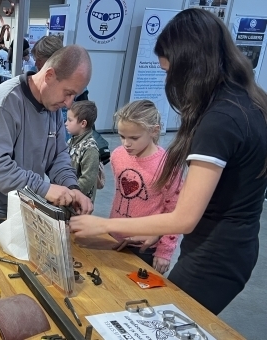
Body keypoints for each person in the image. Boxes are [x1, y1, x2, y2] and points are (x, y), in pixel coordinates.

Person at [70, 9, 267, 314]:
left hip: (217, 253)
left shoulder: (221, 119)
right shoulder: (247, 101)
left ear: (191, 67)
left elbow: (183, 216)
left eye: (169, 72)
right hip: (229, 244)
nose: (170, 82)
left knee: (166, 319)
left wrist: (104, 225)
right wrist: (156, 228)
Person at [0, 45, 95, 218]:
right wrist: (43, 188)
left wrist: (72, 186)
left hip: (26, 202)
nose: (69, 103)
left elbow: (58, 155)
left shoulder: (52, 107)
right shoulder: (5, 103)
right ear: (49, 75)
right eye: (68, 93)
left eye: (74, 96)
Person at [108, 100, 182, 274]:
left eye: (134, 138)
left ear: (154, 131)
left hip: (144, 246)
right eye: (122, 136)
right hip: (114, 236)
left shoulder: (167, 165)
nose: (126, 143)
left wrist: (165, 250)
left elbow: (174, 209)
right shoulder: (118, 155)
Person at [65, 100, 100, 202]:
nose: (65, 123)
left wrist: (71, 194)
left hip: (78, 203)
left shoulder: (90, 149)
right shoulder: (71, 140)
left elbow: (87, 179)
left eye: (70, 120)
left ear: (83, 123)